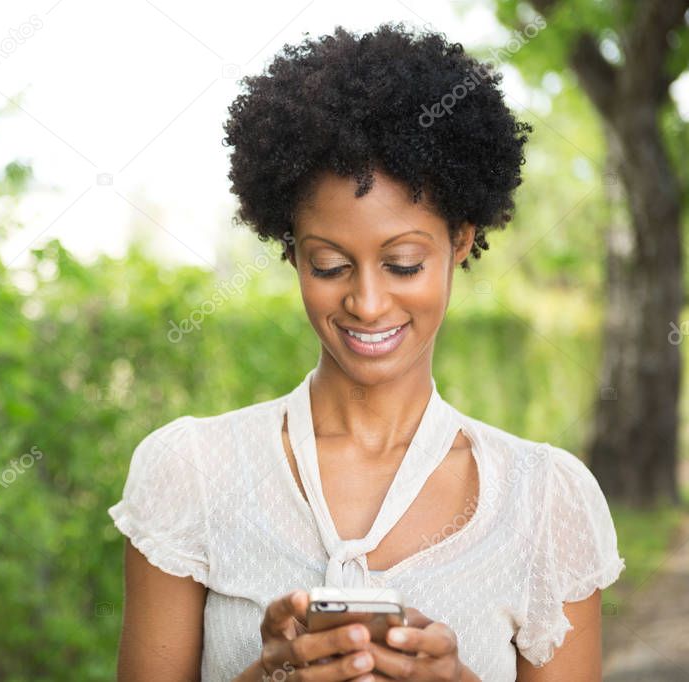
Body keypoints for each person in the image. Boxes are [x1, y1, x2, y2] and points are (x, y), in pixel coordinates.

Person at [108, 23, 624, 682]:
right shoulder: (190, 474)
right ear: (291, 249)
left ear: (460, 241)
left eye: (403, 263)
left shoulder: (546, 502)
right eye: (328, 265)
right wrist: (266, 677)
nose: (368, 303)